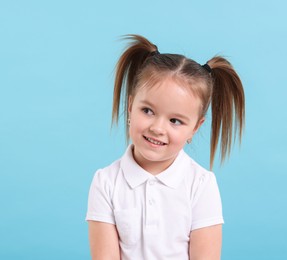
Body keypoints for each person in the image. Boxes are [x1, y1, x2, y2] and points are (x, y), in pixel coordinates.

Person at [86, 34, 245, 260]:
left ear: (195, 128)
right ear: (130, 106)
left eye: (175, 121)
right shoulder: (106, 182)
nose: (158, 128)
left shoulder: (200, 184)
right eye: (148, 111)